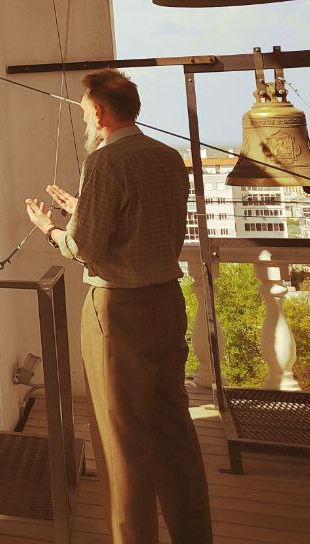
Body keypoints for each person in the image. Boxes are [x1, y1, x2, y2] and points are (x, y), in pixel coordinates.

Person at [23, 69, 213, 544]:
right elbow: (141, 221)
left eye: (86, 111)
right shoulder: (167, 156)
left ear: (102, 113)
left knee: (120, 440)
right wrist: (82, 205)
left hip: (118, 311)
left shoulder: (104, 161)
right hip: (166, 302)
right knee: (173, 426)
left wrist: (51, 229)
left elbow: (86, 247)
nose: (85, 120)